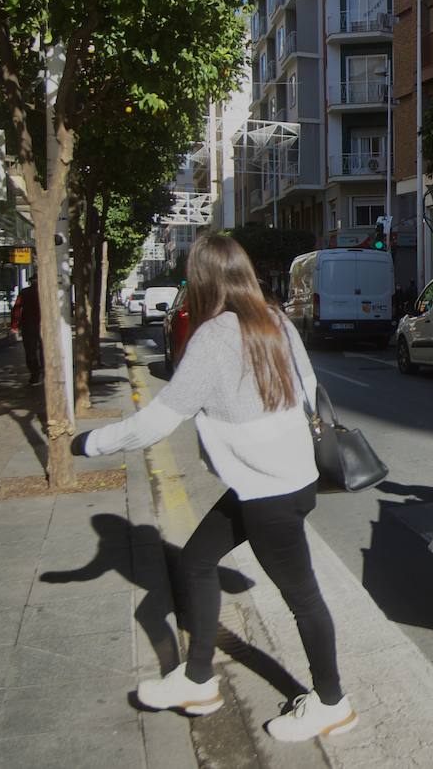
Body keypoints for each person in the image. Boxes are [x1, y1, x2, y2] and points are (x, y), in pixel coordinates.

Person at [69, 233, 356, 742]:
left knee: (304, 599)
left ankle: (333, 703)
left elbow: (157, 422)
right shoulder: (277, 321)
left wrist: (93, 444)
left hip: (269, 492)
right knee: (197, 561)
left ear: (201, 280)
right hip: (286, 480)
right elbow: (311, 391)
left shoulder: (213, 337)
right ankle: (198, 680)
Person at [10, 277, 43, 386]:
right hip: (44, 325)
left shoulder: (24, 292)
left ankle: (34, 373)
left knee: (30, 350)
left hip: (28, 325)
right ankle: (44, 371)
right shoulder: (46, 292)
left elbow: (17, 309)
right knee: (45, 349)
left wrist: (14, 325)